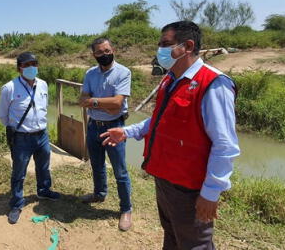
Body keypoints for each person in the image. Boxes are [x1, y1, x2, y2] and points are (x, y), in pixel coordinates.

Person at [100, 21, 240, 249]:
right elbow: (159, 120)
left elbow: (225, 145)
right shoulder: (170, 78)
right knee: (172, 237)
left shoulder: (213, 84)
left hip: (190, 189)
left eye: (166, 44)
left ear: (187, 46)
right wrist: (127, 131)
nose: (160, 49)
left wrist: (211, 193)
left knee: (195, 244)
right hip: (164, 180)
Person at [0, 52, 60, 224]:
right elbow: (3, 116)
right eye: (27, 65)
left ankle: (44, 190)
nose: (32, 67)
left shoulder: (43, 85)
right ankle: (17, 203)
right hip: (21, 138)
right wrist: (18, 129)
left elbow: (43, 108)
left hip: (42, 135)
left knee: (44, 166)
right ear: (20, 68)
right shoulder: (9, 88)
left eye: (34, 63)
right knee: (19, 172)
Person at [78, 38, 133, 231]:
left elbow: (117, 104)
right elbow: (82, 99)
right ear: (94, 55)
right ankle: (99, 194)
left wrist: (94, 102)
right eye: (100, 52)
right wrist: (103, 103)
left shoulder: (123, 72)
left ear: (113, 49)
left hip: (114, 127)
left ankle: (126, 209)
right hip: (94, 126)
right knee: (97, 165)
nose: (104, 54)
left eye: (107, 50)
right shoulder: (90, 73)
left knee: (120, 171)